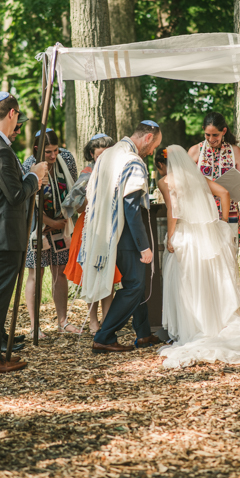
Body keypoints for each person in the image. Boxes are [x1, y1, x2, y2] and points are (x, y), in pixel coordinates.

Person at [0, 92, 48, 374]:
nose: (18, 126)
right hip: (2, 233)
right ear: (12, 113)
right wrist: (34, 177)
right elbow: (15, 194)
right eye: (18, 119)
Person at [154, 146, 240, 368]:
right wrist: (223, 222)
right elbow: (224, 193)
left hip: (187, 236)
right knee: (207, 281)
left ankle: (193, 328)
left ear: (161, 165)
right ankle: (213, 326)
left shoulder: (165, 181)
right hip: (208, 237)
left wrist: (170, 236)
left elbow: (173, 210)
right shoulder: (197, 176)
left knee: (188, 283)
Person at [80, 121, 162, 353]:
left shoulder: (109, 154)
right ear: (147, 138)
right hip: (124, 233)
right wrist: (144, 246)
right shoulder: (133, 161)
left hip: (103, 229)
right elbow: (132, 208)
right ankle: (105, 336)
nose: (152, 151)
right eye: (154, 145)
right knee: (135, 285)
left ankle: (144, 333)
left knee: (135, 283)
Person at [21, 128, 78, 337]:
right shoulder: (29, 165)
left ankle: (62, 321)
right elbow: (27, 201)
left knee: (60, 270)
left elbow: (74, 188)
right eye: (48, 152)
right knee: (36, 273)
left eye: (56, 150)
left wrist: (66, 218)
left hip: (62, 224)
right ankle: (34, 326)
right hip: (37, 226)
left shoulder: (67, 159)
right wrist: (49, 222)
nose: (54, 156)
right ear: (37, 149)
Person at [62, 133, 121, 334]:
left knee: (108, 274)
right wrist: (91, 200)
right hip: (88, 228)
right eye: (99, 155)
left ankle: (108, 319)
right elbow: (76, 207)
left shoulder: (117, 172)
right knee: (91, 273)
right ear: (91, 154)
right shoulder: (87, 173)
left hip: (109, 228)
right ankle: (93, 320)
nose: (103, 158)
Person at [187, 112, 240, 248]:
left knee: (228, 257)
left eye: (215, 135)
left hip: (229, 213)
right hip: (201, 212)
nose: (211, 139)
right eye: (207, 134)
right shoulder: (195, 151)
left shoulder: (235, 152)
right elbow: (186, 183)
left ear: (223, 131)